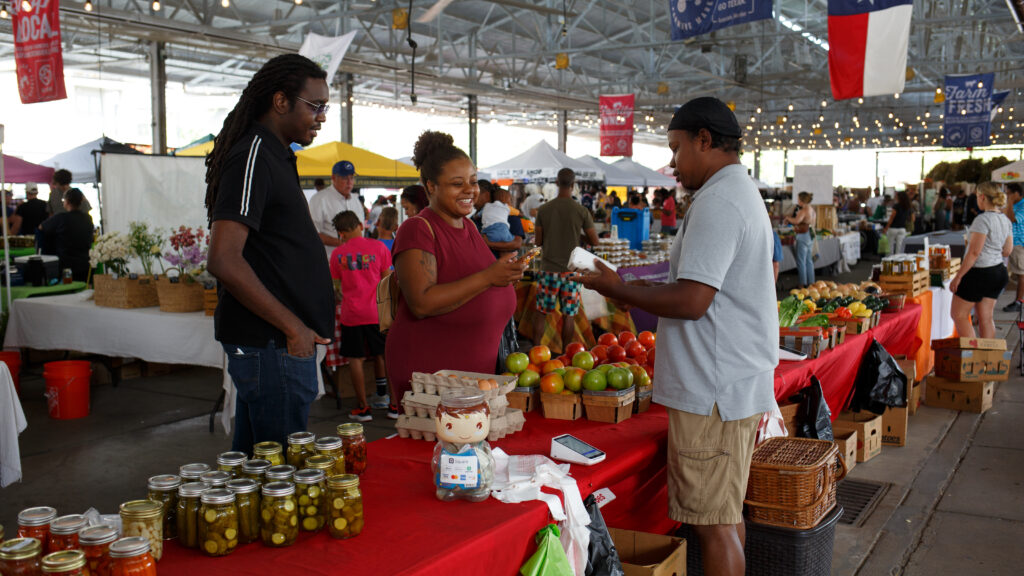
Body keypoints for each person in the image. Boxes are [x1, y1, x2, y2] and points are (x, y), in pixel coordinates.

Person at [575, 97, 776, 576]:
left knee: (714, 524)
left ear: (704, 140)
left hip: (713, 388)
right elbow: (698, 287)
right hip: (727, 381)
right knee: (724, 513)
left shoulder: (720, 201)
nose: (672, 162)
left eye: (676, 147)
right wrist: (633, 289)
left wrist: (618, 289)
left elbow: (693, 300)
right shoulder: (736, 191)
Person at [205, 54, 335, 453]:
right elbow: (224, 259)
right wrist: (293, 327)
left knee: (257, 464)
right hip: (271, 344)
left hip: (278, 346)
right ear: (281, 101)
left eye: (325, 108)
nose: (322, 118)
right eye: (315, 106)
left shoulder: (275, 153)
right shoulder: (254, 153)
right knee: (281, 470)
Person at [385, 131, 525, 401]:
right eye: (457, 184)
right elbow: (422, 303)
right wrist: (490, 278)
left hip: (473, 373)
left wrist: (504, 277)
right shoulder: (417, 229)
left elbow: (475, 279)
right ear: (431, 186)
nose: (470, 190)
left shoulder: (468, 226)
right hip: (432, 373)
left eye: (473, 182)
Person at [328, 210, 394, 421]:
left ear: (341, 233)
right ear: (359, 225)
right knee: (385, 356)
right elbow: (387, 281)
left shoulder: (337, 254)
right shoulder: (379, 247)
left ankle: (363, 408)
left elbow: (336, 287)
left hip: (352, 314)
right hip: (377, 312)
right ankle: (394, 406)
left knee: (355, 359)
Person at [533, 168, 599, 353]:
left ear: (556, 183)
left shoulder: (544, 209)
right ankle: (565, 354)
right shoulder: (581, 210)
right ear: (573, 185)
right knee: (568, 316)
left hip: (548, 269)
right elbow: (595, 241)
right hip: (571, 272)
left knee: (541, 312)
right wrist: (577, 235)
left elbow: (538, 241)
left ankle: (535, 352)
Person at [950, 182, 1012, 339]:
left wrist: (958, 276)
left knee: (959, 315)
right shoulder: (1005, 220)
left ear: (982, 197)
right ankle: (986, 354)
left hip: (980, 272)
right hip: (998, 271)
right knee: (986, 318)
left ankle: (971, 352)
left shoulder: (982, 220)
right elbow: (1007, 251)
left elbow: (974, 252)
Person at [308, 160, 366, 259]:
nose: (349, 182)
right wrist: (343, 243)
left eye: (351, 177)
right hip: (330, 259)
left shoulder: (355, 200)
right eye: (344, 178)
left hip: (356, 259)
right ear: (333, 178)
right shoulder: (319, 199)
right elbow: (312, 233)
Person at [39, 188, 93, 281]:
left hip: (66, 265)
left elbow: (41, 227)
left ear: (66, 201)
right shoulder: (88, 218)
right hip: (85, 263)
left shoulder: (61, 218)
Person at [473, 181, 525, 258]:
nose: (472, 200)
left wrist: (488, 243)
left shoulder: (508, 214)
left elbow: (516, 244)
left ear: (486, 194)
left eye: (475, 195)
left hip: (499, 263)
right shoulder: (473, 218)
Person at [786, 191, 816, 288]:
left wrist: (788, 218)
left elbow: (796, 221)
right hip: (810, 234)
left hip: (803, 235)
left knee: (801, 261)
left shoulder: (804, 210)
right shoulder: (812, 209)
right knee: (809, 260)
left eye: (798, 199)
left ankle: (802, 283)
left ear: (801, 200)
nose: (798, 201)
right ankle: (811, 283)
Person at [1002, 183, 1024, 313]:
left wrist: (1009, 202)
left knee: (1021, 274)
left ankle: (1019, 302)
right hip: (1012, 243)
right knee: (1017, 274)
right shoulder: (1015, 205)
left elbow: (1012, 219)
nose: (1006, 195)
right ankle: (1018, 300)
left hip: (1019, 244)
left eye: (1008, 193)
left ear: (1016, 193)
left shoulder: (1022, 205)